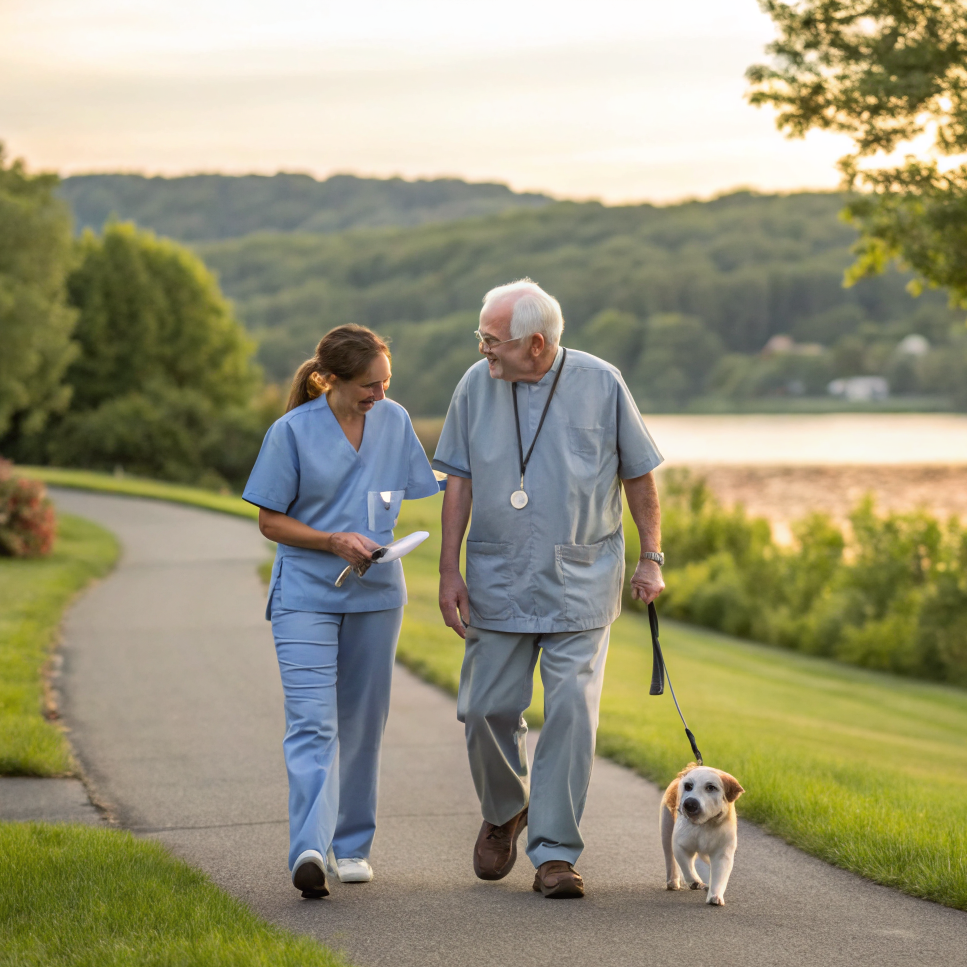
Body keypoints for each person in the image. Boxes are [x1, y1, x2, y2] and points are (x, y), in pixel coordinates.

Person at [433, 279, 666, 898]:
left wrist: (652, 558)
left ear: (535, 344)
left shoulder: (601, 382)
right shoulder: (472, 385)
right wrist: (448, 569)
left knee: (569, 710)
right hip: (496, 576)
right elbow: (456, 479)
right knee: (485, 709)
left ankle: (556, 853)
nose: (483, 349)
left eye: (492, 339)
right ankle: (506, 807)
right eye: (481, 337)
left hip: (580, 579)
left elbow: (639, 475)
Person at [243, 324, 439, 898]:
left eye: (385, 382)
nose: (379, 394)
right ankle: (309, 846)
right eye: (367, 386)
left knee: (363, 725)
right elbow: (269, 521)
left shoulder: (395, 421)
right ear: (331, 379)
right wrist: (332, 540)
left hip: (377, 596)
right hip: (306, 593)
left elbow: (407, 494)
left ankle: (351, 846)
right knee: (312, 722)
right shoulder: (291, 433)